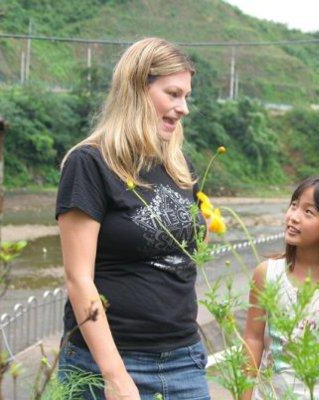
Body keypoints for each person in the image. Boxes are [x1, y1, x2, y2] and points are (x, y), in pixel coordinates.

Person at [55, 37, 210, 400]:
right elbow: (78, 278)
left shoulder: (180, 167)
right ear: (138, 88)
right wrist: (115, 376)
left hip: (183, 356)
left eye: (186, 96)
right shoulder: (89, 164)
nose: (183, 107)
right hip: (104, 363)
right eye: (173, 94)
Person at [242, 175, 319, 400]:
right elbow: (253, 339)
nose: (293, 217)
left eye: (308, 212)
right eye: (294, 205)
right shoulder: (266, 273)